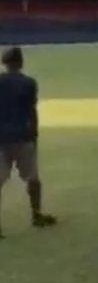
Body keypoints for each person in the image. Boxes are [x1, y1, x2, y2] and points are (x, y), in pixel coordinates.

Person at [0, 47, 57, 239]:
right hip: (23, 136)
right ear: (21, 62)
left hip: (2, 137)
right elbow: (31, 111)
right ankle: (36, 214)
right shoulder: (29, 83)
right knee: (32, 178)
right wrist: (34, 134)